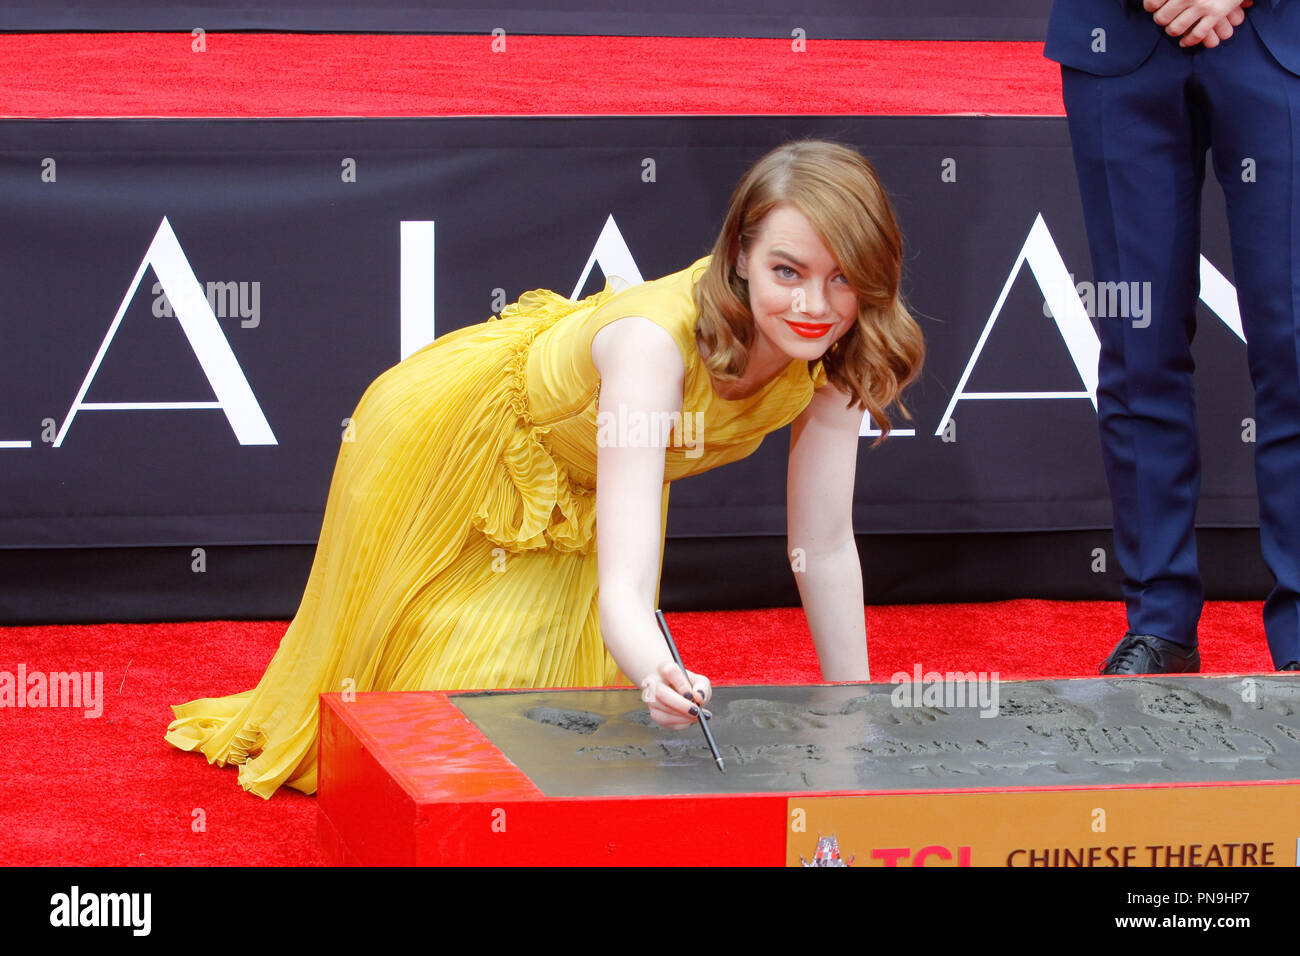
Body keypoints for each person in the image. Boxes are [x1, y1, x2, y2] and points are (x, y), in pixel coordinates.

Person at [165, 139, 924, 797]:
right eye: (787, 271)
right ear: (739, 259)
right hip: (454, 442)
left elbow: (820, 549)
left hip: (590, 491)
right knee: (435, 746)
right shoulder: (653, 347)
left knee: (547, 752)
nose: (813, 305)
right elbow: (625, 591)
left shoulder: (836, 359)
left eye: (842, 278)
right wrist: (658, 669)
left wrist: (850, 720)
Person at [1045, 0, 1300, 674]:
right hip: (1118, 36)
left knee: (1294, 344)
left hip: (1280, 34)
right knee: (1139, 344)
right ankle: (1160, 625)